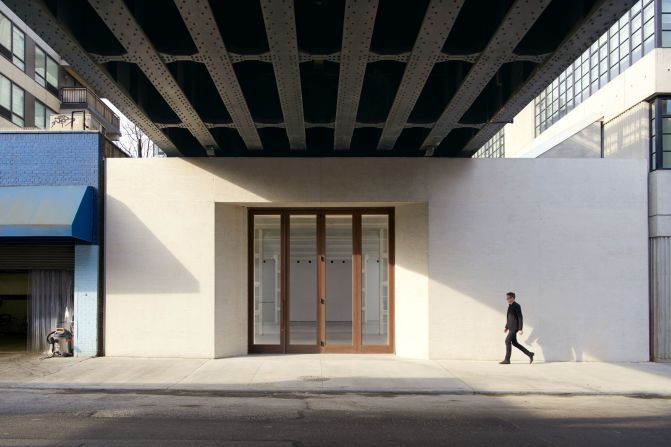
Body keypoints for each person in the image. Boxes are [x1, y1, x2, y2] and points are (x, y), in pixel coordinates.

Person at [500, 292, 534, 364]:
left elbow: (520, 317)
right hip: (510, 327)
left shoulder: (517, 306)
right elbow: (509, 318)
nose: (507, 300)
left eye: (508, 298)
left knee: (507, 341)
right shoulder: (510, 306)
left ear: (512, 298)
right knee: (515, 343)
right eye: (506, 298)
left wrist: (520, 329)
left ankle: (507, 359)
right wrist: (506, 327)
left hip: (514, 328)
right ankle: (529, 354)